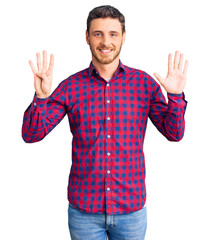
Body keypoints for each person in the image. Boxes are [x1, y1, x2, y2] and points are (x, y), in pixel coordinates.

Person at [22, 5, 189, 240]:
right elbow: (31, 134)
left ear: (123, 37)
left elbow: (174, 133)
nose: (105, 41)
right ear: (87, 37)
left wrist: (175, 97)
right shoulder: (71, 86)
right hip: (84, 212)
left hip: (131, 210)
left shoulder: (144, 84)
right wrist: (41, 98)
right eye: (98, 33)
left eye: (113, 34)